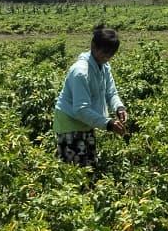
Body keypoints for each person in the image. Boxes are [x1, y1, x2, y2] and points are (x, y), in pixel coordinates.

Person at [53, 24, 127, 167]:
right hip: (70, 124)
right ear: (93, 46)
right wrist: (108, 124)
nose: (107, 57)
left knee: (89, 165)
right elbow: (80, 109)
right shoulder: (81, 72)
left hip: (86, 122)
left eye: (111, 54)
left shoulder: (103, 66)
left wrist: (119, 107)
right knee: (74, 170)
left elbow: (111, 92)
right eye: (104, 52)